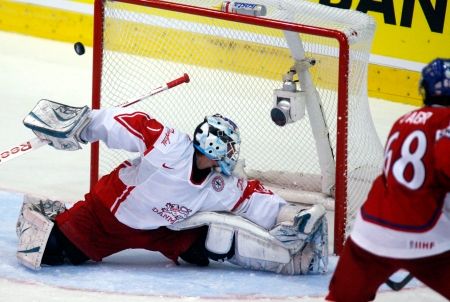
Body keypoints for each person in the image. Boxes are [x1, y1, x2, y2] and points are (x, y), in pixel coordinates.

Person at [16, 101, 328, 275]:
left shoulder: (221, 183)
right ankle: (44, 215)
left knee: (213, 243)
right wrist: (83, 126)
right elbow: (125, 125)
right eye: (228, 148)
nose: (232, 155)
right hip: (107, 215)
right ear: (212, 148)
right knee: (49, 252)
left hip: (162, 229)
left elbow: (251, 199)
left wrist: (286, 215)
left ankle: (292, 262)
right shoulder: (169, 146)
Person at [326, 58, 450, 301]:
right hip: (424, 234)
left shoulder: (403, 121)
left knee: (341, 298)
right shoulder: (446, 121)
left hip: (369, 232)